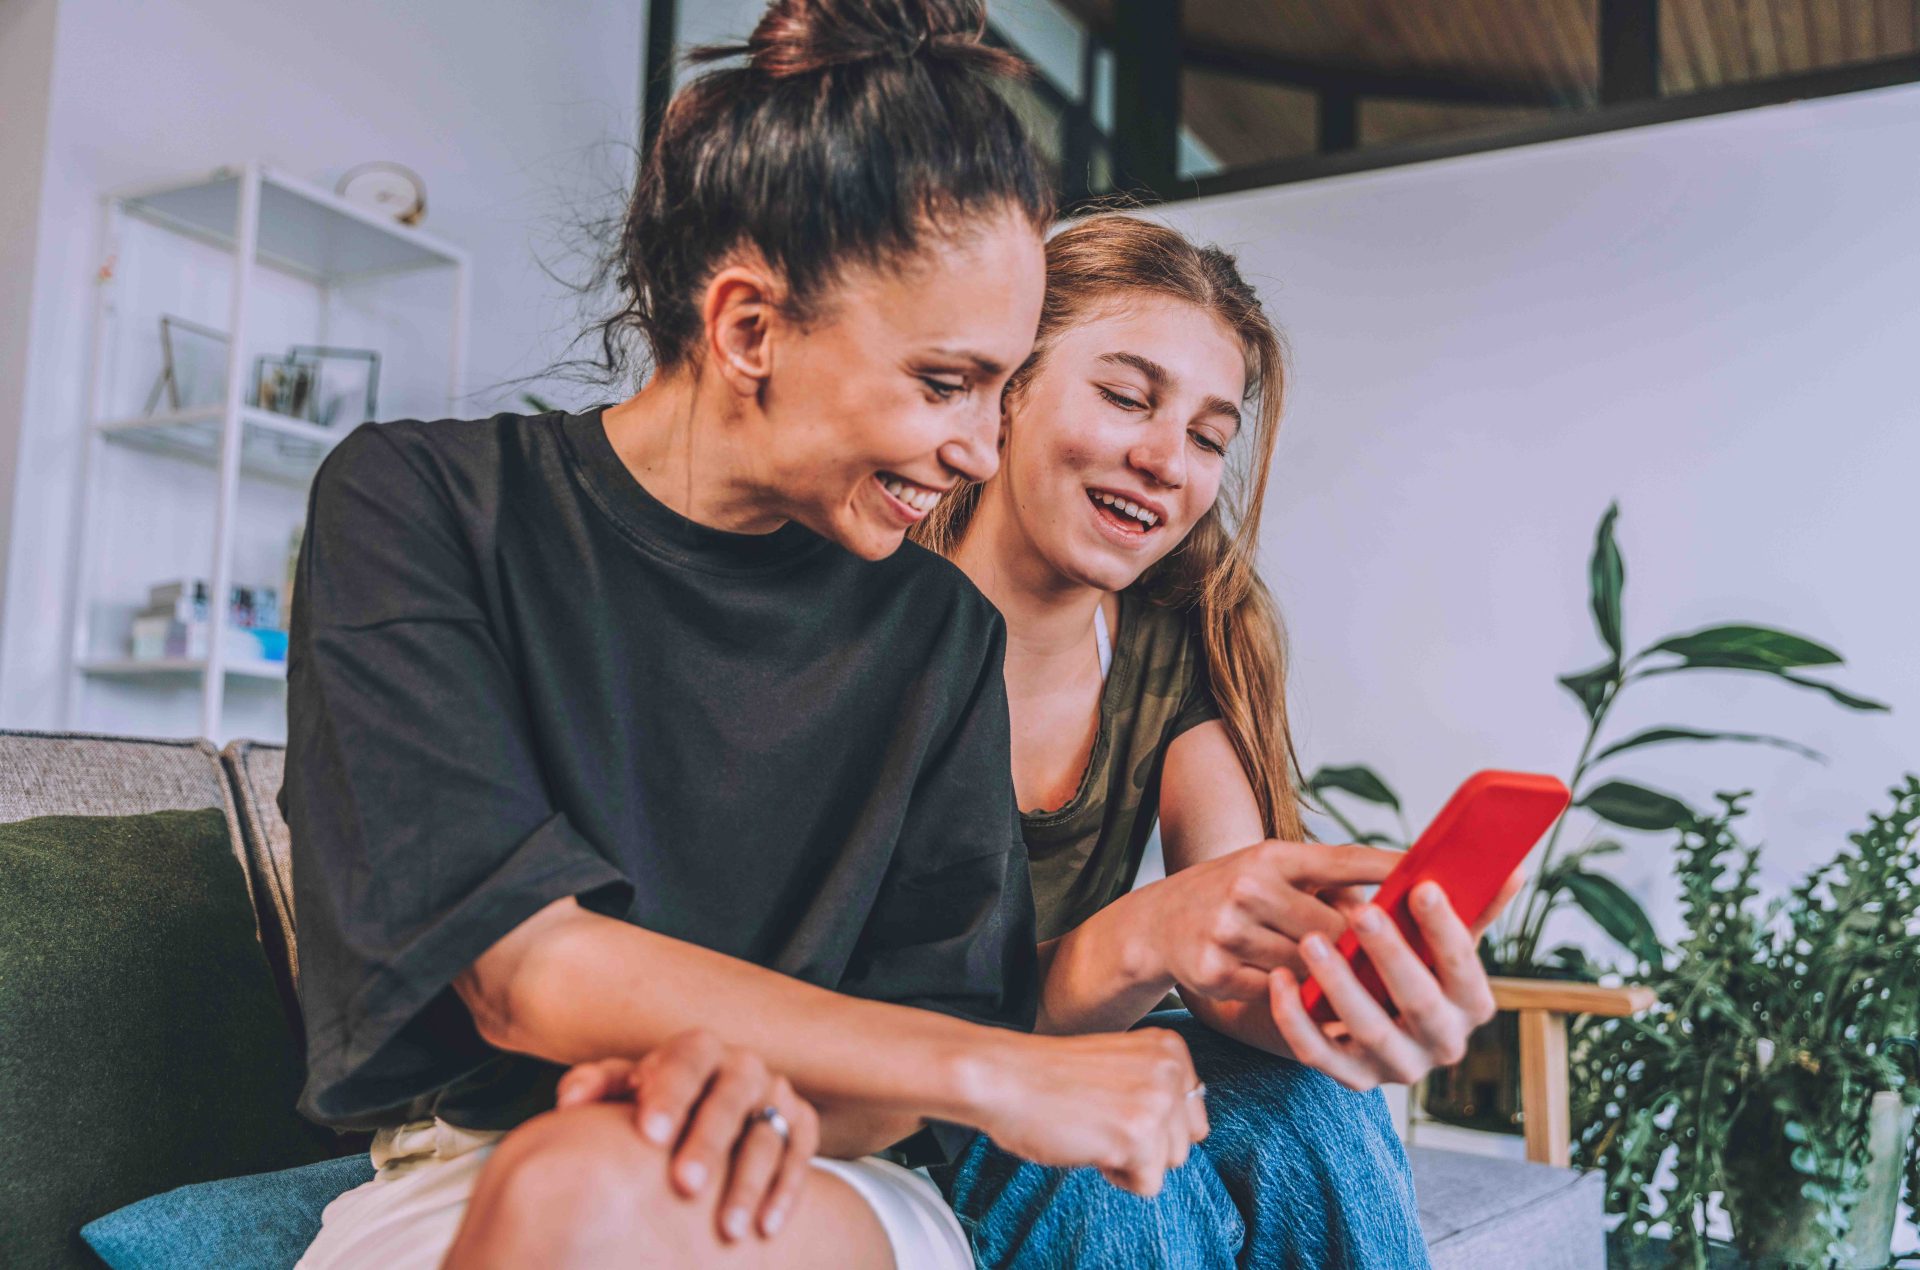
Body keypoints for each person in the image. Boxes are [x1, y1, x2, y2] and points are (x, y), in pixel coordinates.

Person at [283, 12, 1207, 1270]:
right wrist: (999, 1071)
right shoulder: (421, 506)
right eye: (946, 383)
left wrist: (794, 1085)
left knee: (590, 1195)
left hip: (822, 1164)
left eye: (1002, 387)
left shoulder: (938, 632)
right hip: (473, 1169)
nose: (983, 449)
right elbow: (521, 972)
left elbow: (908, 1059)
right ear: (749, 330)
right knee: (579, 1189)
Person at [914, 212, 1518, 1268]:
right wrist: (1145, 936)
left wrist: (1331, 987)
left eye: (1206, 435)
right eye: (1125, 395)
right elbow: (882, 1009)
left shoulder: (1184, 626)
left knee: (1313, 1108)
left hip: (1072, 1047)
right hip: (912, 1073)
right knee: (1105, 1169)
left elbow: (1230, 946)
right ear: (1008, 381)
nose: (1164, 461)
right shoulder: (870, 621)